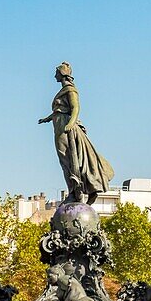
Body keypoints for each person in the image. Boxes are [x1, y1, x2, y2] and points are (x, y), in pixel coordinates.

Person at [38, 62, 114, 204]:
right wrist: (47, 119)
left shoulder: (70, 90)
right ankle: (74, 190)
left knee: (69, 159)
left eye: (56, 72)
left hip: (65, 127)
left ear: (62, 74)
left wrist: (70, 124)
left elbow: (75, 108)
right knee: (65, 160)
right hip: (59, 126)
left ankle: (77, 190)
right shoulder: (64, 90)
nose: (54, 75)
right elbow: (59, 110)